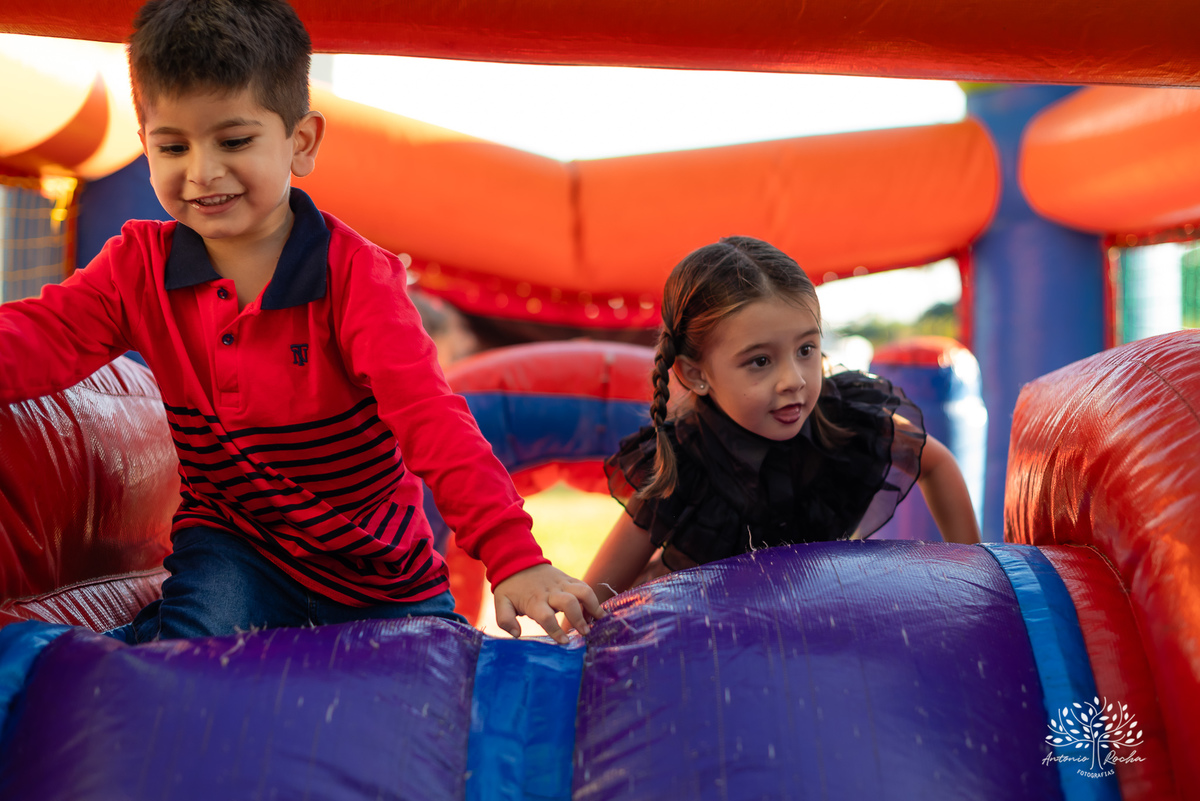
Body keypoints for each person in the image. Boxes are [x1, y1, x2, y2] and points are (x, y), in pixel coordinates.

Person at [0, 0, 600, 644]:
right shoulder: (137, 269)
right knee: (191, 655)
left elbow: (433, 423)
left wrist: (514, 557)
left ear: (301, 142)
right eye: (173, 146)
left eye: (234, 141)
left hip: (377, 563)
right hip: (237, 546)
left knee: (424, 674)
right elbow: (40, 338)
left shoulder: (354, 280)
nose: (202, 172)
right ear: (144, 143)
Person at [584, 236, 981, 603]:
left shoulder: (843, 420)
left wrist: (974, 577)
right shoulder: (687, 462)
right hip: (707, 636)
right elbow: (597, 592)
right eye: (760, 361)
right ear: (696, 375)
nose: (793, 380)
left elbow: (937, 462)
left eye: (806, 349)